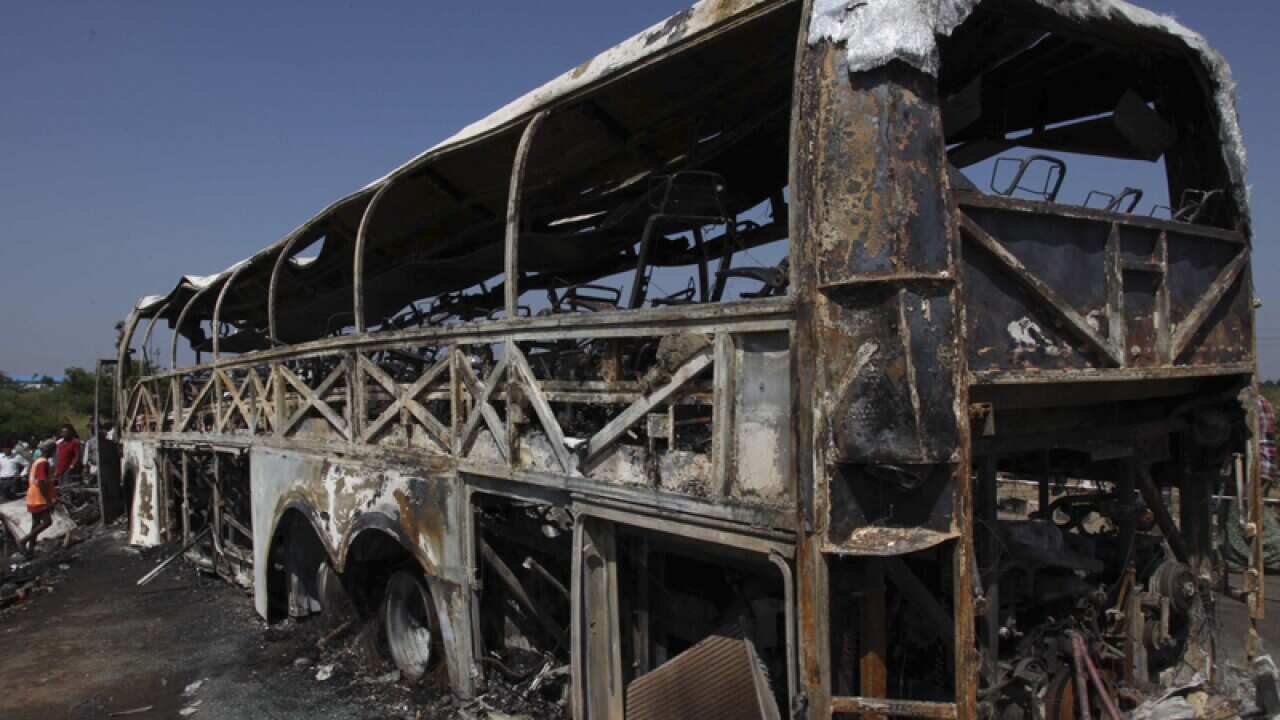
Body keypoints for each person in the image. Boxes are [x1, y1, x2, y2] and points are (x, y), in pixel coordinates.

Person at [19, 442, 57, 555]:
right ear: (51, 451)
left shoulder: (37, 461)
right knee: (47, 521)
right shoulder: (43, 462)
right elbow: (41, 482)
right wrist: (49, 500)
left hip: (32, 495)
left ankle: (30, 549)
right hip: (39, 496)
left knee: (35, 523)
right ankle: (23, 541)